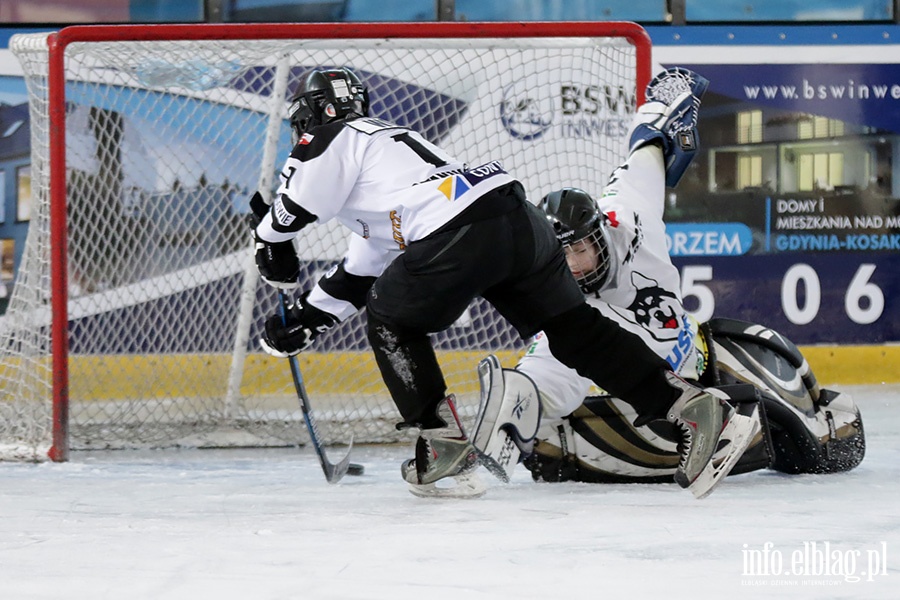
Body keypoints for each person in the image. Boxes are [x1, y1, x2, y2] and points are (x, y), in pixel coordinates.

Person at [252, 66, 757, 498]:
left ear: (310, 118)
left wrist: (267, 237)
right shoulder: (382, 171)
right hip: (516, 218)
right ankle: (694, 407)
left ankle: (443, 443)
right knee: (575, 331)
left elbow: (293, 206)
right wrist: (303, 322)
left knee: (389, 317)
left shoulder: (332, 136)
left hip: (460, 230)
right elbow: (355, 274)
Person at [470, 68, 864, 488]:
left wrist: (664, 102)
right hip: (660, 410)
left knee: (819, 444)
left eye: (581, 248)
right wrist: (513, 405)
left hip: (709, 359)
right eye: (563, 255)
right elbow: (543, 376)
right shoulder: (561, 311)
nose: (576, 264)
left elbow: (648, 146)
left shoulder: (628, 213)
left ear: (600, 234)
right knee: (557, 446)